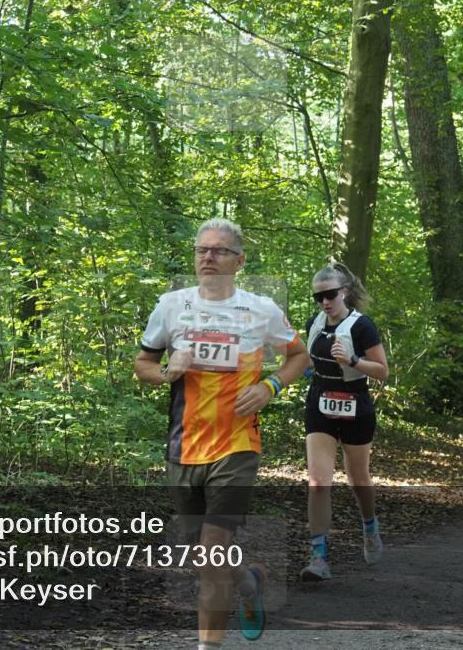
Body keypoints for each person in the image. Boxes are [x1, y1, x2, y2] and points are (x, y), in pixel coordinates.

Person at [134, 218, 309, 648]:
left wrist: (270, 387)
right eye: (201, 250)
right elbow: (143, 364)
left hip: (237, 444)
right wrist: (164, 372)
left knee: (213, 550)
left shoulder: (261, 310)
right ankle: (248, 581)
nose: (207, 257)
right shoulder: (171, 305)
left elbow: (298, 356)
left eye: (218, 251)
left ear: (240, 260)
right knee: (203, 558)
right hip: (184, 445)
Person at [299, 263, 389, 581]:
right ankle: (319, 557)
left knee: (357, 479)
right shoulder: (315, 323)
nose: (324, 302)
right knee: (319, 481)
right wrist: (306, 368)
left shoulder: (362, 326)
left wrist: (351, 360)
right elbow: (309, 363)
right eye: (318, 296)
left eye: (330, 295)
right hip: (320, 404)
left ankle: (369, 527)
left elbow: (382, 371)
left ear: (344, 293)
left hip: (356, 405)